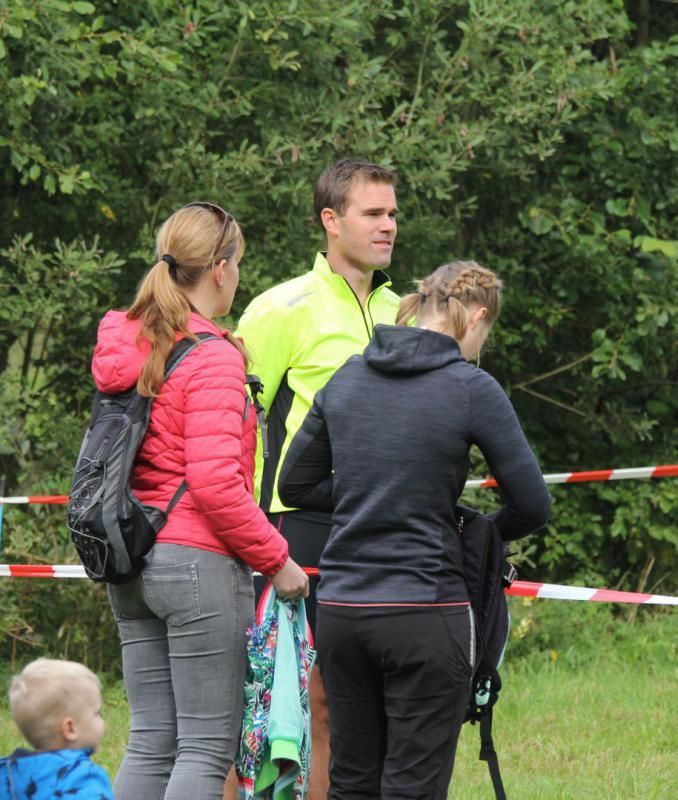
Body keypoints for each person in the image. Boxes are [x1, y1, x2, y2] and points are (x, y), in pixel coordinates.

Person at [278, 262, 551, 799]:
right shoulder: (471, 387)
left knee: (352, 781)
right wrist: (468, 529)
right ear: (476, 317)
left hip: (343, 612)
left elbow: (296, 484)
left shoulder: (348, 375)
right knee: (413, 786)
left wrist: (370, 496)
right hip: (426, 609)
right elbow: (531, 504)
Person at [92, 201, 310, 800]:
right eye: (238, 263)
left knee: (151, 742)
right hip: (196, 566)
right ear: (220, 269)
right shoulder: (211, 356)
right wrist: (277, 559)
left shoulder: (135, 345)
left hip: (132, 559)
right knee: (205, 749)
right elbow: (215, 485)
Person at [235, 158, 400, 798]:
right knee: (288, 696)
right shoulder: (280, 308)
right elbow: (241, 426)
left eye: (392, 214)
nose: (387, 226)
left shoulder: (402, 308)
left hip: (383, 525)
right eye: (373, 213)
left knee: (364, 697)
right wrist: (248, 531)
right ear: (331, 221)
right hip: (298, 525)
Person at [0, 658, 114, 799]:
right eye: (97, 713)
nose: (102, 721)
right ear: (70, 729)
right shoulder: (84, 779)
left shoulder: (12, 779)